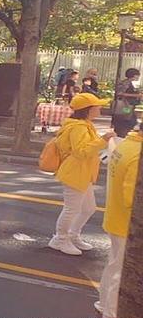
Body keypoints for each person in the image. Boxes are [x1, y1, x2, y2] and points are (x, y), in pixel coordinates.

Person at [48, 93, 115, 256]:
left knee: (88, 208)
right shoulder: (79, 127)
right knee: (72, 209)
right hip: (75, 173)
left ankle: (72, 235)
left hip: (82, 173)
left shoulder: (84, 124)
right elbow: (81, 151)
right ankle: (60, 239)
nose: (100, 108)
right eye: (97, 106)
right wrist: (103, 140)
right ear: (88, 110)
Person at [97, 129, 138, 318]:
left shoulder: (127, 145)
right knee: (119, 273)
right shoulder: (137, 155)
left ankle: (103, 308)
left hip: (116, 218)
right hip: (127, 224)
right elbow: (132, 198)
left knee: (114, 266)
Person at [113, 68, 140, 138]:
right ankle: (121, 135)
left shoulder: (128, 82)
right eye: (137, 75)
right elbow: (120, 93)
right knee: (126, 118)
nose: (138, 77)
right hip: (125, 106)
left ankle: (122, 134)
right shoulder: (126, 83)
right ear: (133, 75)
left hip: (127, 106)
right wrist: (136, 95)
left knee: (130, 119)